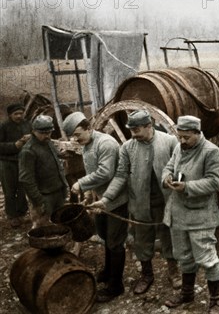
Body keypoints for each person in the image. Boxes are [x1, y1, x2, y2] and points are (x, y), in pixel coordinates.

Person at [90, 109, 181, 294]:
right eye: (131, 130)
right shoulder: (127, 148)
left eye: (137, 130)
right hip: (140, 203)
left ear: (149, 126)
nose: (134, 135)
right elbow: (120, 176)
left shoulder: (169, 141)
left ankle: (174, 272)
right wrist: (106, 199)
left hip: (166, 202)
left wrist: (177, 180)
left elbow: (181, 167)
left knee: (169, 237)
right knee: (142, 240)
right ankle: (147, 275)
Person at [160, 116, 219, 313]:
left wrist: (187, 186)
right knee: (184, 257)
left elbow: (215, 182)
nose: (182, 141)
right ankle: (187, 294)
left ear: (198, 133)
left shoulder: (211, 152)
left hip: (201, 215)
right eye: (179, 137)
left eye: (187, 137)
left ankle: (216, 300)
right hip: (178, 213)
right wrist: (166, 178)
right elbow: (169, 166)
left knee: (207, 258)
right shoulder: (180, 147)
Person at [62, 112, 128, 302]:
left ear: (89, 128)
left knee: (115, 243)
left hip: (116, 200)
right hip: (100, 200)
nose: (76, 139)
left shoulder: (105, 143)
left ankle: (116, 286)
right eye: (73, 136)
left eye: (78, 134)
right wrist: (90, 193)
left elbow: (105, 173)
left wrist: (81, 184)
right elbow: (92, 170)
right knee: (106, 237)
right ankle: (108, 272)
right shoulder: (87, 144)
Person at [18, 115, 69, 228]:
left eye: (49, 132)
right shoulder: (28, 151)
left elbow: (52, 156)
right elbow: (26, 180)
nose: (47, 135)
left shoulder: (47, 142)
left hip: (57, 191)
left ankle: (59, 245)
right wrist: (38, 201)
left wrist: (61, 154)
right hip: (44, 196)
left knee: (59, 224)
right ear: (33, 131)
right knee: (43, 228)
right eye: (43, 133)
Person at [0, 103, 31, 228]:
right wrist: (15, 145)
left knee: (22, 188)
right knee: (10, 189)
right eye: (15, 114)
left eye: (21, 113)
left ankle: (22, 213)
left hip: (23, 161)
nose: (19, 116)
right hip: (7, 162)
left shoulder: (27, 124)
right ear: (10, 115)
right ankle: (12, 216)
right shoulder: (3, 126)